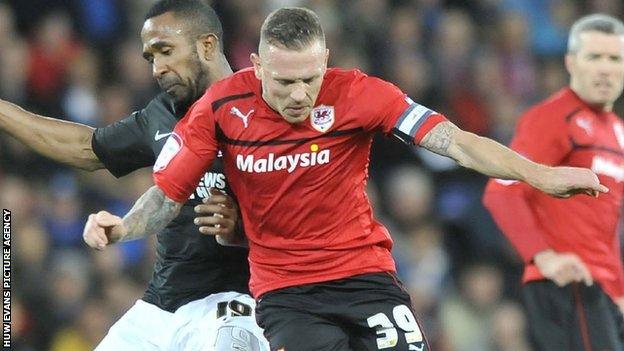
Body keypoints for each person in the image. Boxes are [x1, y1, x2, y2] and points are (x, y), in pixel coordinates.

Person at [85, 7, 608, 351]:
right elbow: (168, 193)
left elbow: (456, 141)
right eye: (284, 81)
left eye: (310, 79)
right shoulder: (221, 107)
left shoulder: (360, 94)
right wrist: (121, 229)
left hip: (366, 277)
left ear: (326, 63)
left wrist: (540, 175)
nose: (299, 95)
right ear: (257, 66)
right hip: (286, 294)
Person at [0, 1, 269, 350]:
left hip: (238, 299)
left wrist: (246, 227)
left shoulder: (266, 110)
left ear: (207, 45)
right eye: (151, 57)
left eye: (166, 51)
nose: (157, 68)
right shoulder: (162, 115)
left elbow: (307, 217)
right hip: (161, 306)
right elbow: (88, 148)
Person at [483, 14, 624, 351]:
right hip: (568, 284)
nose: (605, 69)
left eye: (615, 58)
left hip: (602, 289)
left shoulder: (617, 129)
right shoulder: (553, 118)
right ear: (571, 62)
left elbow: (604, 225)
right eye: (594, 57)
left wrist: (618, 290)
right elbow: (500, 192)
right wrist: (543, 257)